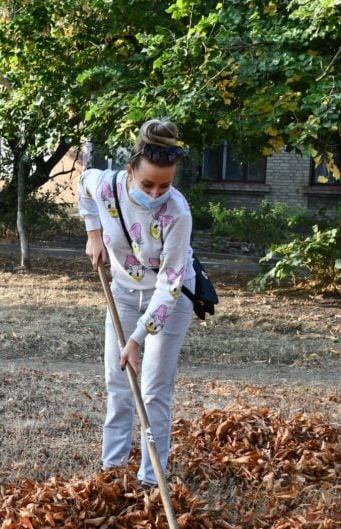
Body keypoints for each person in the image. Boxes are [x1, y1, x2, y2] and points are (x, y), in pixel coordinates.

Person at [78, 119, 195, 488]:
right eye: (147, 184)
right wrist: (93, 231)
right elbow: (82, 186)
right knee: (118, 381)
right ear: (130, 172)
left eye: (165, 184)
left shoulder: (177, 212)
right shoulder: (107, 185)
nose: (156, 192)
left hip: (168, 298)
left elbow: (170, 285)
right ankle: (111, 472)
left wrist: (137, 338)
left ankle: (149, 480)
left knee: (154, 389)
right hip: (125, 293)